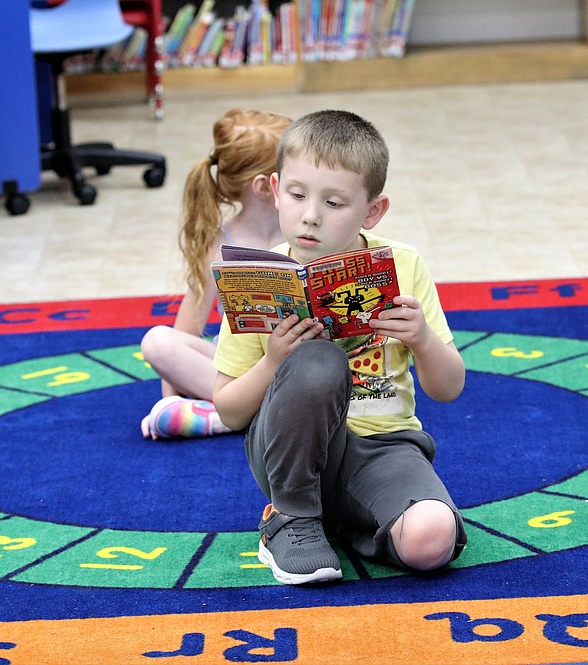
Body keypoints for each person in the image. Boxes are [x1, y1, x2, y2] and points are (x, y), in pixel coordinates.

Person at [212, 110, 468, 585]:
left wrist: (422, 339)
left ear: (373, 211)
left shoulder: (404, 264)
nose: (311, 215)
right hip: (287, 455)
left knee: (432, 540)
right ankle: (291, 516)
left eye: (334, 202)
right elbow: (228, 411)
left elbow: (449, 388)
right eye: (297, 195)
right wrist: (273, 361)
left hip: (384, 448)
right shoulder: (256, 279)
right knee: (318, 360)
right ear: (275, 189)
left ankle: (342, 523)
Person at [140, 109, 293, 439]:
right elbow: (184, 334)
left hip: (299, 367)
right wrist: (170, 404)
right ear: (266, 186)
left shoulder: (306, 232)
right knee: (157, 342)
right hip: (240, 374)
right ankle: (239, 413)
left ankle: (228, 417)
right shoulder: (219, 245)